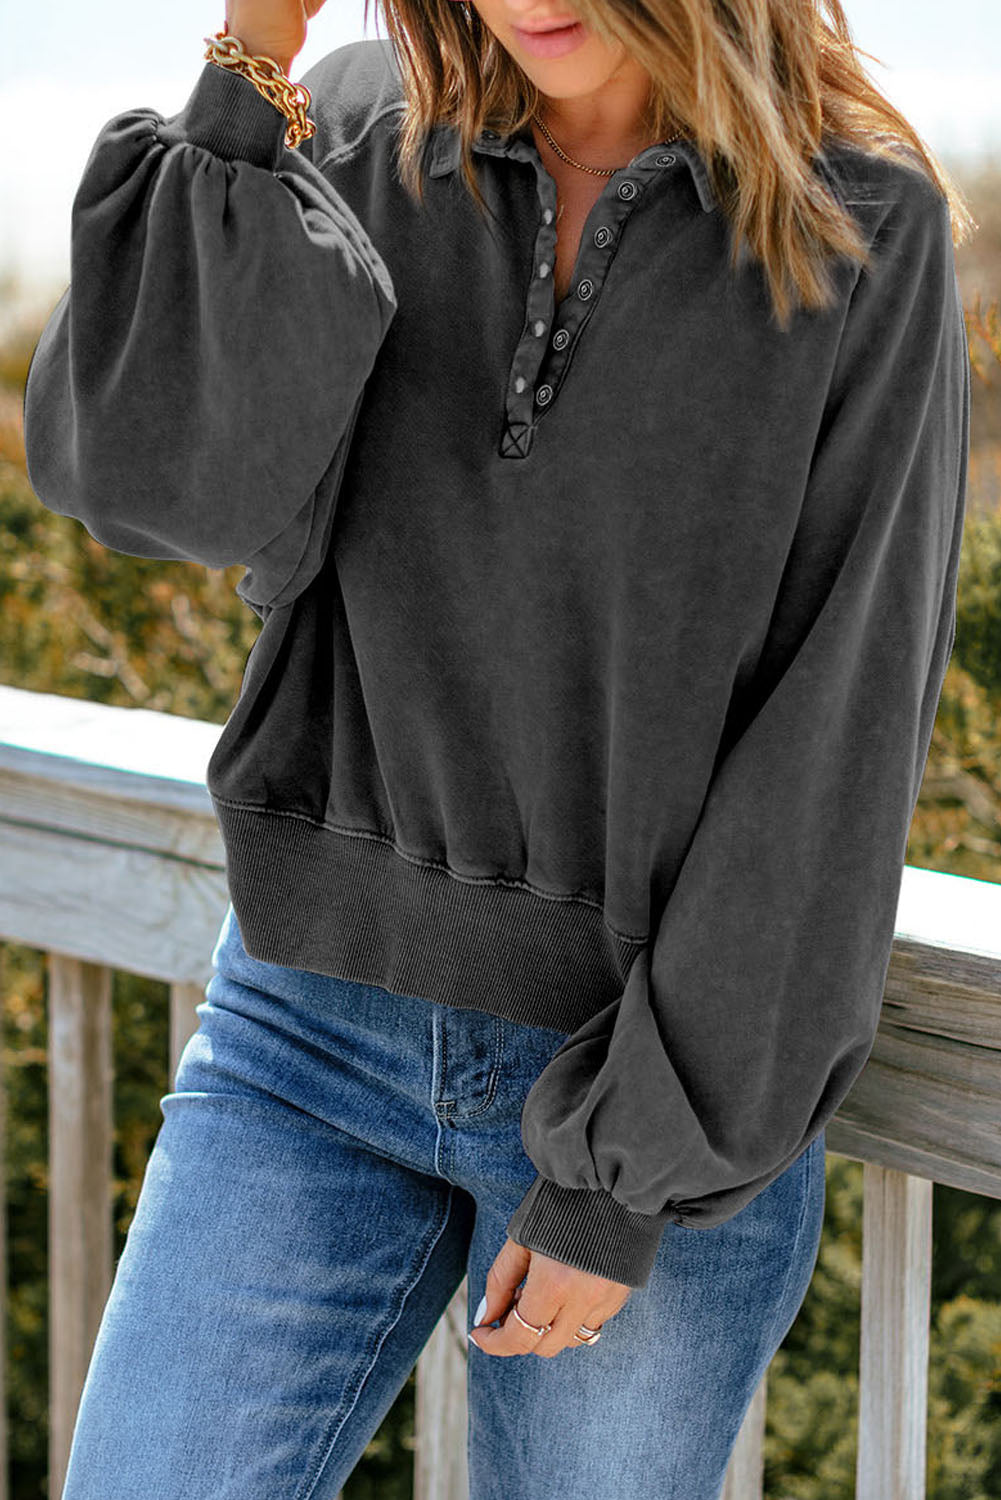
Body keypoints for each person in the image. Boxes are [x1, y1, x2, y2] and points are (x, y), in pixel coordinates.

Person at [23, 0, 972, 1495]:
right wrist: (250, 61)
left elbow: (833, 730)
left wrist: (629, 1171)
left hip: (635, 1080)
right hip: (300, 1029)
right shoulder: (352, 128)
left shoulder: (854, 229)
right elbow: (155, 485)